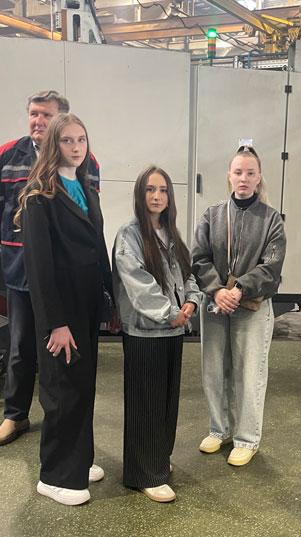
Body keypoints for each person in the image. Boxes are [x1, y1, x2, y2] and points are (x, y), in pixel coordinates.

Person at [0, 91, 100, 447]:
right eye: (34, 113)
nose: (38, 121)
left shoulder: (85, 160)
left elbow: (86, 219)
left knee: (62, 352)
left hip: (64, 281)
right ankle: (15, 415)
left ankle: (59, 422)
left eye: (47, 115)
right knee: (21, 347)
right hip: (21, 274)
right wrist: (17, 248)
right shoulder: (5, 156)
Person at [18, 113, 112, 506]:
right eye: (67, 141)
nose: (76, 148)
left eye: (81, 140)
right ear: (52, 144)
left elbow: (98, 247)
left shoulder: (87, 189)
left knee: (83, 386)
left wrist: (110, 298)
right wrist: (55, 323)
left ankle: (79, 460)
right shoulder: (40, 197)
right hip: (61, 309)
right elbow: (39, 268)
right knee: (61, 390)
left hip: (87, 305)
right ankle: (54, 475)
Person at [191, 146, 286, 467]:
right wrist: (217, 291)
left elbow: (271, 267)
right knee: (214, 370)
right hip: (215, 305)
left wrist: (240, 288)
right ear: (229, 176)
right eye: (238, 172)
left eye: (250, 173)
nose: (243, 178)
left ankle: (247, 439)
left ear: (259, 178)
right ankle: (219, 430)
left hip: (252, 308)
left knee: (249, 372)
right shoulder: (212, 215)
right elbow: (199, 258)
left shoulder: (272, 220)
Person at [112, 166, 200, 503]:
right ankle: (143, 474)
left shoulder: (171, 233)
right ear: (140, 194)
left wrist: (192, 302)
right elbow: (139, 284)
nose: (157, 196)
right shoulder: (130, 235)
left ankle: (159, 460)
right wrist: (170, 313)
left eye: (163, 190)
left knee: (166, 403)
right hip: (145, 332)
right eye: (150, 189)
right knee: (145, 404)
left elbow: (188, 274)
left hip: (173, 331)